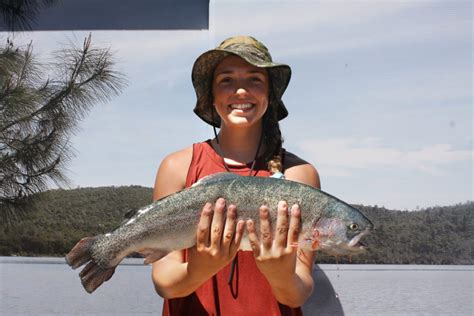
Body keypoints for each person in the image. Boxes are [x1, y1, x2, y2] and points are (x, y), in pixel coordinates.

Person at [151, 35, 321, 316]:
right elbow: (165, 282)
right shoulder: (177, 167)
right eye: (226, 80)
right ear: (212, 96)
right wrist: (199, 269)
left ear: (269, 94)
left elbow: (298, 293)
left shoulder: (299, 174)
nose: (240, 91)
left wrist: (281, 275)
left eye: (255, 79)